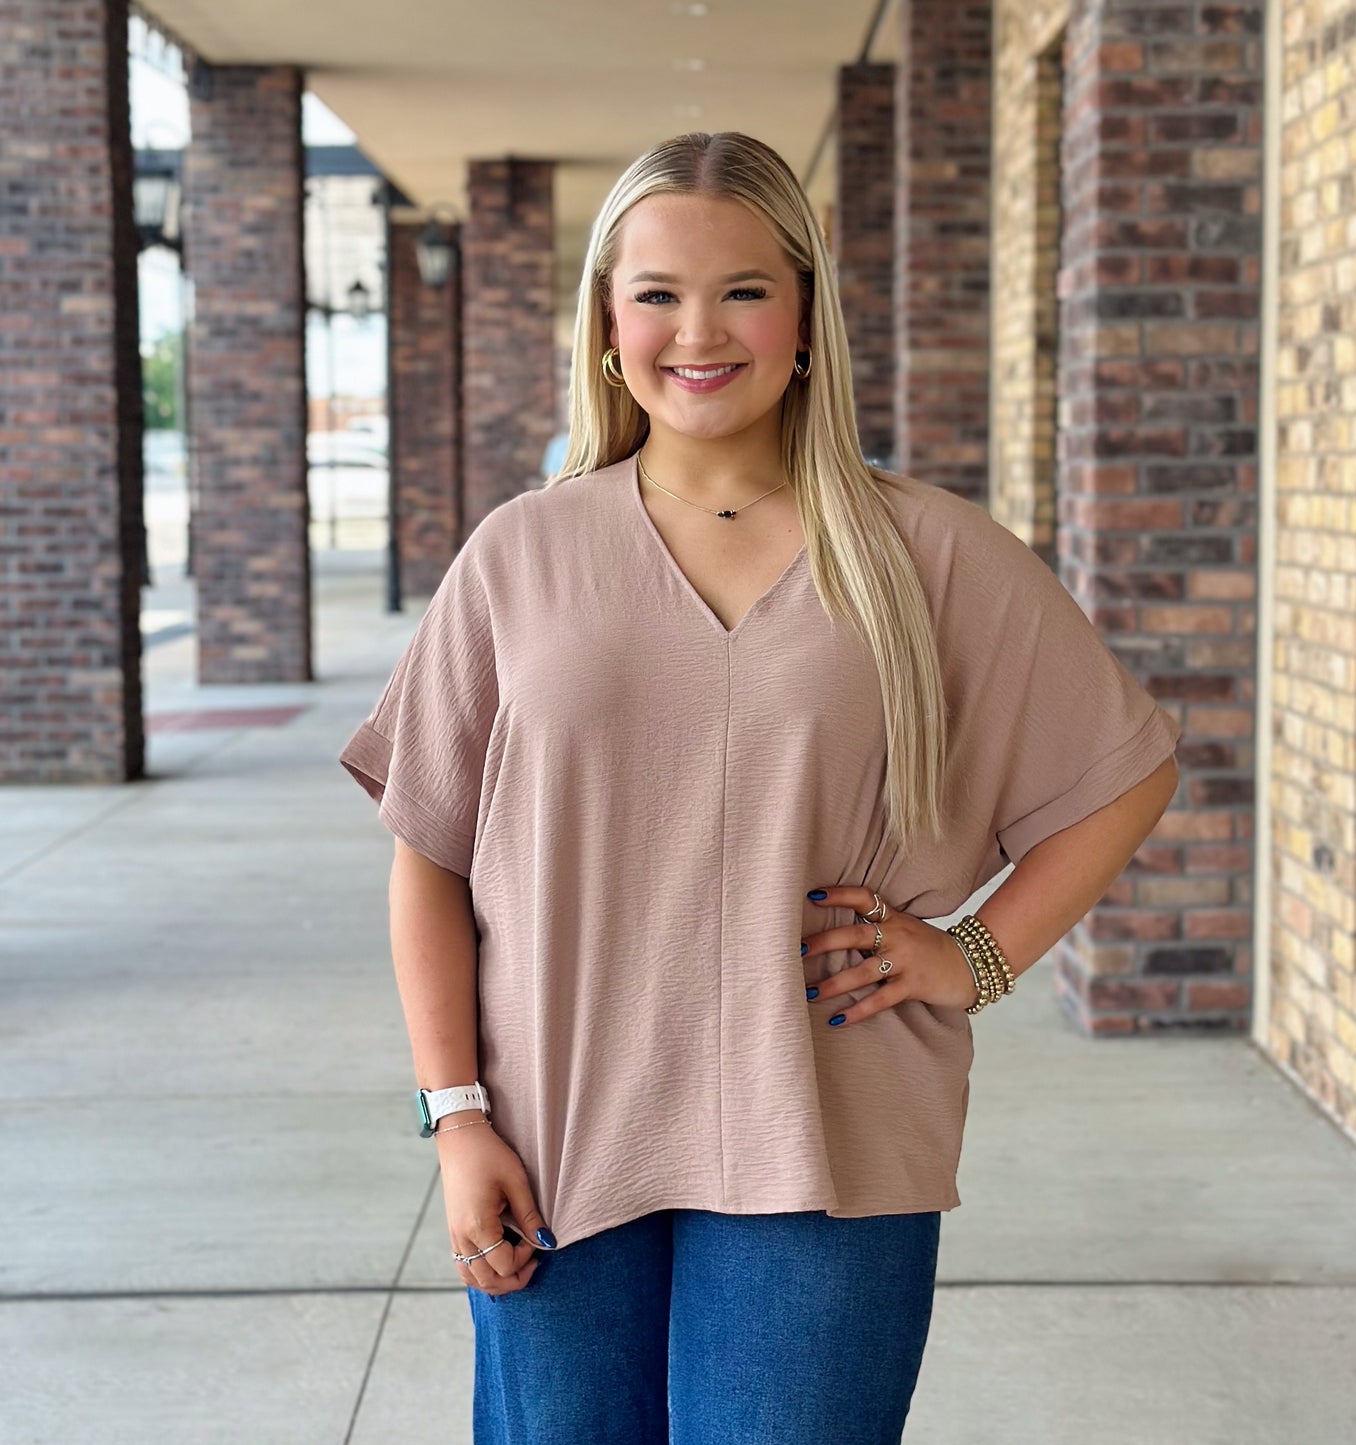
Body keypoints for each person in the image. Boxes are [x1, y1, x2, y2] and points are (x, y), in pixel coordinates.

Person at [338, 130, 1182, 1445]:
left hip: (826, 1139)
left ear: (803, 314)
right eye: (657, 291)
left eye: (742, 288)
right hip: (557, 1139)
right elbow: (430, 852)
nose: (699, 330)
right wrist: (456, 1117)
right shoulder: (523, 555)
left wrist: (975, 956)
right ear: (608, 324)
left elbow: (1122, 775)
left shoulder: (927, 554)